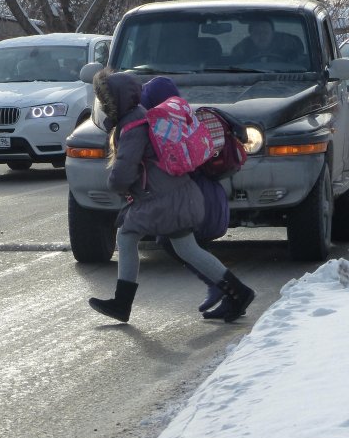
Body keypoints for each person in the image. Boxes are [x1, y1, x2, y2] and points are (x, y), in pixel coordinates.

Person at [87, 70, 255, 324]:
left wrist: (114, 183)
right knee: (186, 248)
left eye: (105, 101)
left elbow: (124, 171)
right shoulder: (142, 117)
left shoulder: (132, 126)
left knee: (127, 235)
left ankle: (122, 303)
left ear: (115, 102)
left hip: (163, 200)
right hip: (176, 196)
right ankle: (239, 292)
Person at [231, 17, 302, 64]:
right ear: (251, 36)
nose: (262, 36)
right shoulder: (241, 51)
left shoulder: (288, 48)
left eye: (266, 32)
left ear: (273, 34)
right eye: (257, 32)